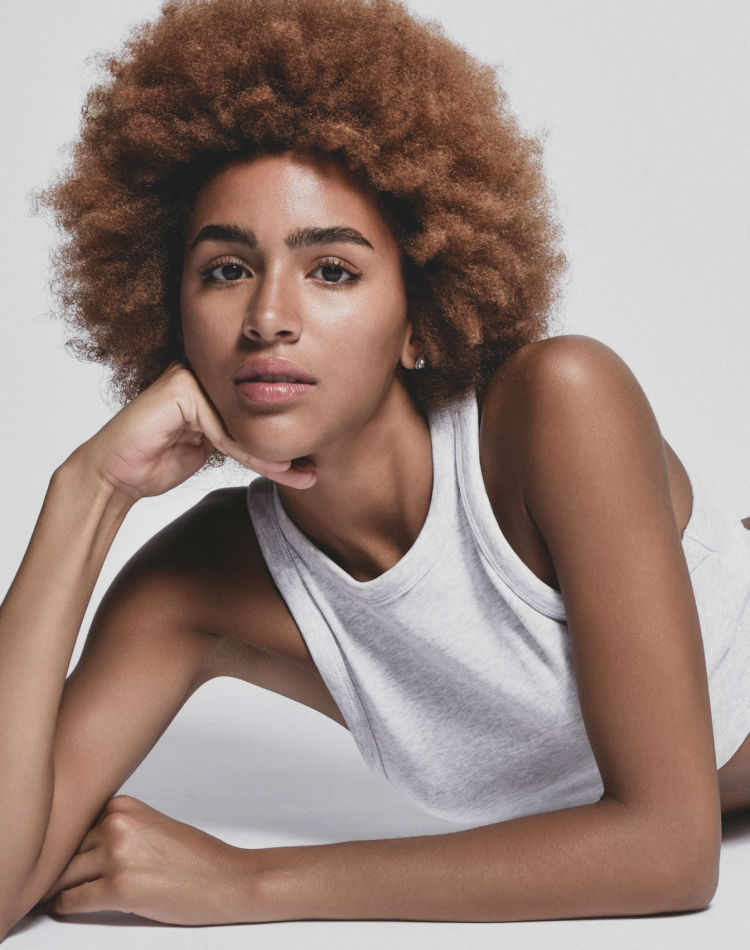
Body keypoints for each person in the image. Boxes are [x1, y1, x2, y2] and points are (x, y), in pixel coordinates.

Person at [1, 0, 750, 934]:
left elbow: (670, 852)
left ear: (418, 317)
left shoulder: (557, 409)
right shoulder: (196, 586)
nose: (268, 318)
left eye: (332, 270)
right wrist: (87, 492)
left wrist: (248, 884)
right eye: (227, 269)